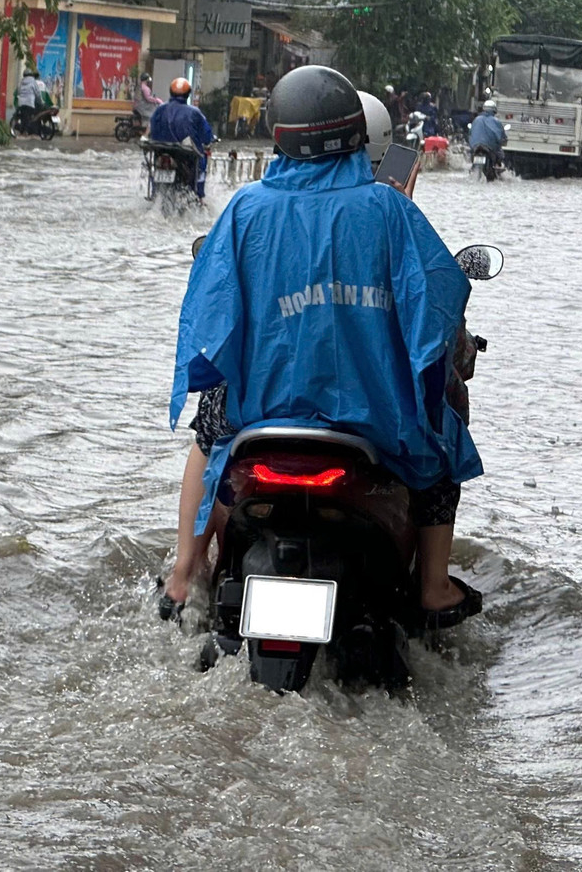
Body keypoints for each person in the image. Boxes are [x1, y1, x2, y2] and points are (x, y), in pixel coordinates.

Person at [161, 66, 483, 629]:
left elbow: (208, 316)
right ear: (357, 136)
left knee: (208, 432)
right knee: (440, 446)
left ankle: (184, 575)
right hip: (376, 421)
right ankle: (432, 587)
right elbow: (436, 311)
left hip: (260, 414)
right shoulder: (389, 211)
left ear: (280, 134)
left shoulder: (245, 209)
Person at [148, 77, 215, 199]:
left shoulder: (159, 110)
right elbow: (206, 136)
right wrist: (210, 139)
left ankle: (154, 192)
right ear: (188, 94)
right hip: (186, 156)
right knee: (202, 160)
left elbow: (152, 130)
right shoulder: (195, 112)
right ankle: (199, 196)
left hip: (161, 151)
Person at [468, 98, 508, 169]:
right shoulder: (496, 122)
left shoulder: (476, 119)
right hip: (490, 148)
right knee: (500, 156)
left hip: (475, 147)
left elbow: (470, 134)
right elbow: (502, 137)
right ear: (494, 110)